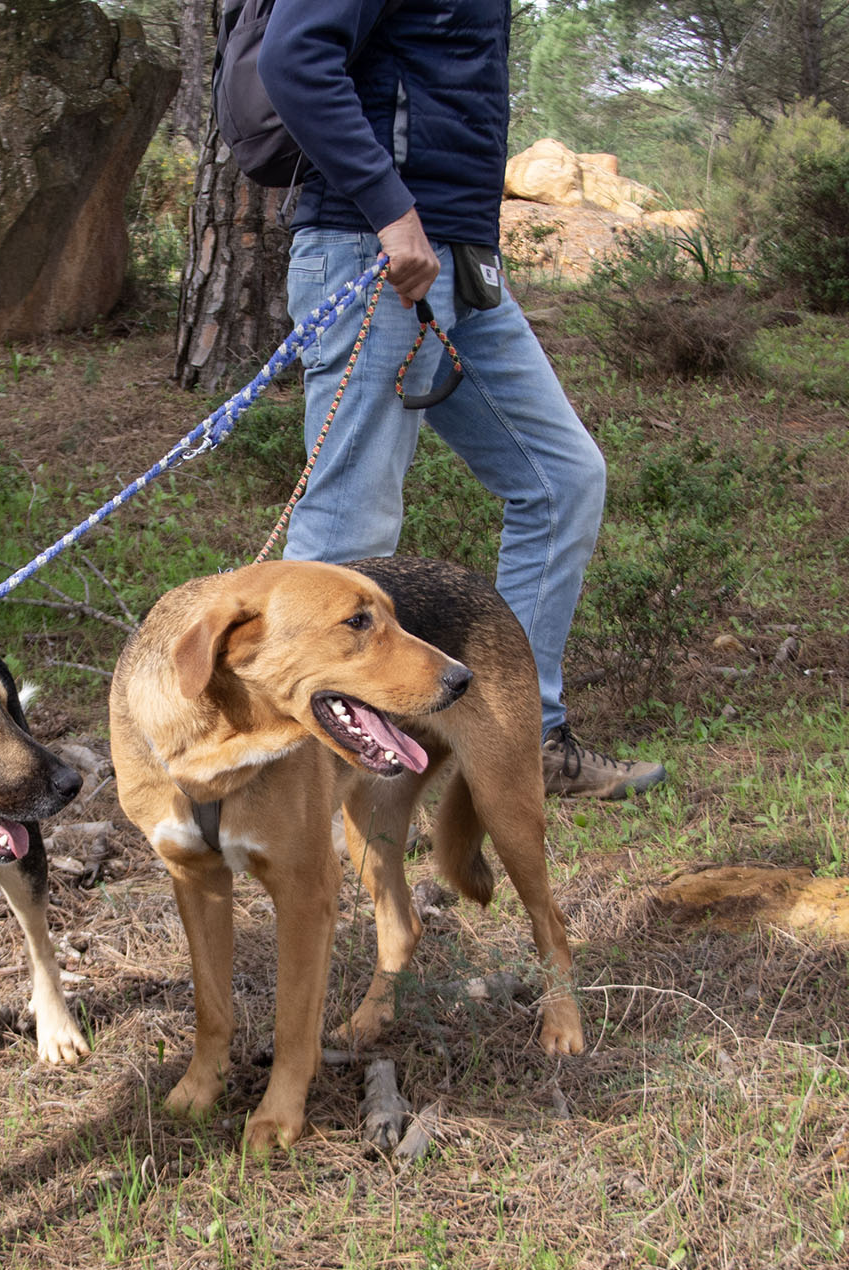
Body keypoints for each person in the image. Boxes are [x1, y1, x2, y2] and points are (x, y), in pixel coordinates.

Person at [257, 0, 663, 799]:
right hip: (378, 253)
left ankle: (517, 738)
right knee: (350, 530)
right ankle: (283, 786)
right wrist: (391, 210)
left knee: (561, 479)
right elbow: (292, 59)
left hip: (462, 261)